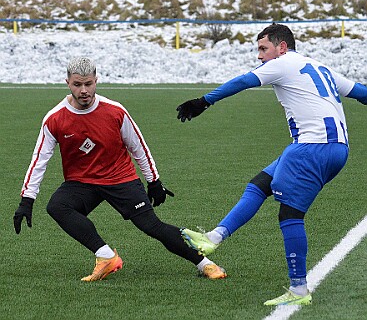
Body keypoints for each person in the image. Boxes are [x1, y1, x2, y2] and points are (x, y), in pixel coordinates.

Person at [176, 23, 367, 305]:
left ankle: (299, 290)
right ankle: (213, 238)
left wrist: (204, 101)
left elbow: (243, 81)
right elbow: (361, 92)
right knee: (259, 185)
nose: (260, 56)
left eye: (263, 49)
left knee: (290, 215)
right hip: (335, 149)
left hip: (311, 148)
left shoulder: (283, 63)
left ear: (282, 47)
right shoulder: (318, 67)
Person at [14, 56, 227, 282]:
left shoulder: (114, 111)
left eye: (88, 84)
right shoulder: (54, 118)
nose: (84, 90)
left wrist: (154, 181)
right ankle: (105, 256)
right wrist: (26, 200)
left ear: (96, 81)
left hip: (119, 178)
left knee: (151, 226)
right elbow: (39, 160)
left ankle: (205, 263)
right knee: (58, 206)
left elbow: (138, 147)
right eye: (77, 85)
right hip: (82, 182)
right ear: (67, 83)